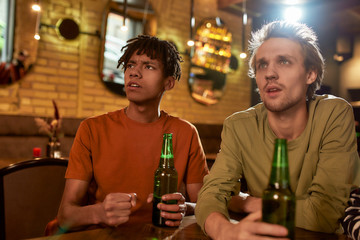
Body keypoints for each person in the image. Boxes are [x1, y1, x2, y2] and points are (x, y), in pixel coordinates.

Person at [195, 20, 360, 239]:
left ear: (310, 74)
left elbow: (324, 213)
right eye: (262, 64)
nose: (269, 73)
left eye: (284, 61)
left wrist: (248, 203)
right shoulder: (239, 125)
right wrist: (226, 231)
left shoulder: (334, 114)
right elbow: (211, 194)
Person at [51, 35, 209, 233]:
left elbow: (205, 205)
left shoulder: (185, 133)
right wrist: (100, 212)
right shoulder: (91, 129)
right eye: (131, 65)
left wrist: (184, 208)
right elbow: (65, 215)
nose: (134, 72)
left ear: (168, 83)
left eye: (148, 66)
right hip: (105, 236)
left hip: (160, 234)